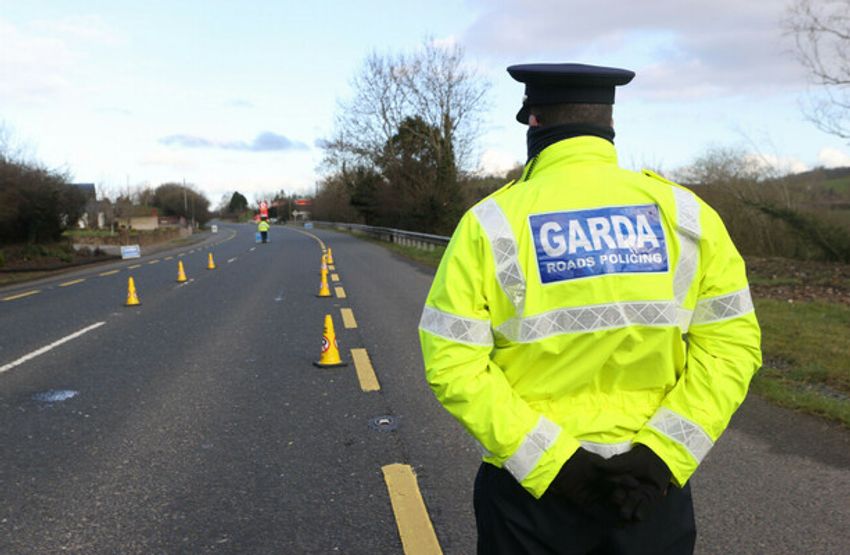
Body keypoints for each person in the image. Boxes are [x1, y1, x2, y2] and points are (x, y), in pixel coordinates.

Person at [418, 63, 762, 554]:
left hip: (531, 499)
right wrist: (660, 457)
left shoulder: (491, 223)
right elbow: (733, 347)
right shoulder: (687, 215)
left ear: (535, 124)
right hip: (649, 494)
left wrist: (554, 463)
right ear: (609, 126)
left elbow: (452, 360)